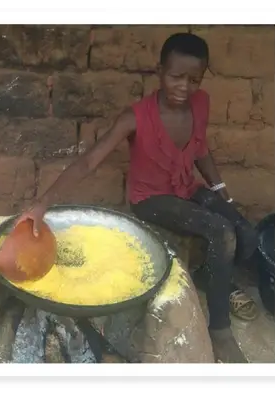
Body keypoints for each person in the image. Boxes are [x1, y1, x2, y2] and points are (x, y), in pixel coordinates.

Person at [17, 33, 256, 363]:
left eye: (194, 80)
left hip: (186, 188)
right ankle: (220, 329)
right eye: (176, 77)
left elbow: (200, 149)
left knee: (246, 232)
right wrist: (43, 203)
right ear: (159, 71)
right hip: (153, 199)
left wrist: (221, 193)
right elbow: (89, 161)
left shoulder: (201, 104)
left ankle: (210, 276)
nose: (184, 87)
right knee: (221, 231)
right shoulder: (136, 118)